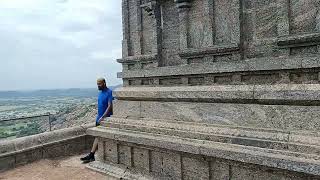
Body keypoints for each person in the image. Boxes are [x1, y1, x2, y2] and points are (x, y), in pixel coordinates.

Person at [80, 77, 113, 163]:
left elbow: (110, 106)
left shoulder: (109, 92)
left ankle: (92, 155)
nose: (98, 86)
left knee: (98, 136)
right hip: (99, 118)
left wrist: (103, 117)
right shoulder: (100, 93)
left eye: (100, 84)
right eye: (97, 84)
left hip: (105, 119)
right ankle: (92, 155)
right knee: (97, 136)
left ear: (104, 83)